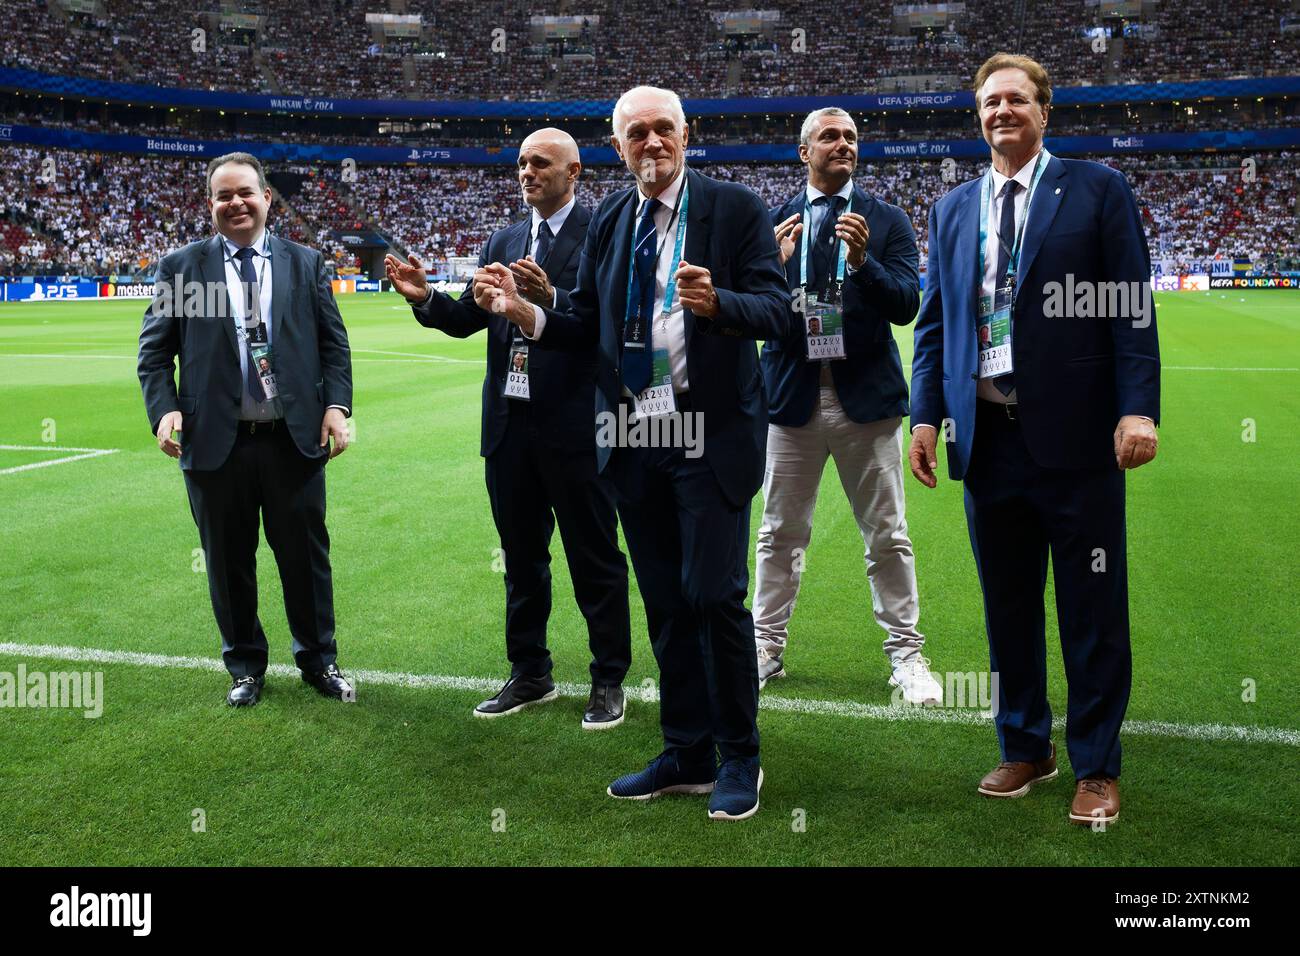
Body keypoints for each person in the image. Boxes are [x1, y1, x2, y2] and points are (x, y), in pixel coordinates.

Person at [472, 86, 790, 821]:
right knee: (668, 604)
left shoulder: (735, 209)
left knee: (714, 596)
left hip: (707, 434)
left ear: (686, 135)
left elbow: (778, 313)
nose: (651, 143)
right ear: (617, 147)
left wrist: (721, 305)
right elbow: (585, 320)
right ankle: (687, 750)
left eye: (663, 130)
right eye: (636, 133)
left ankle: (740, 755)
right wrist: (528, 313)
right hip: (634, 436)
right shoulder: (614, 217)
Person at [909, 55, 1160, 825]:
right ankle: (1025, 745)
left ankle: (1096, 763)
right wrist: (925, 415)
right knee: (1007, 605)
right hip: (989, 440)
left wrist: (1137, 409)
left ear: (1044, 112)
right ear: (978, 116)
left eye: (1017, 98)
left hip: (1079, 440)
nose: (1002, 111)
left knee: (1091, 606)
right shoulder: (952, 208)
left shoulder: (1095, 189)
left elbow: (1130, 308)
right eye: (990, 102)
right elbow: (935, 324)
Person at [385, 129, 633, 729]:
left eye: (540, 163)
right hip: (509, 427)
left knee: (593, 556)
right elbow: (472, 318)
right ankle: (530, 672)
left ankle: (608, 679)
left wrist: (555, 297)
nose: (527, 172)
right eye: (521, 163)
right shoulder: (505, 236)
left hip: (576, 426)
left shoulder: (602, 231)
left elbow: (607, 319)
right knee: (521, 558)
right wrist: (427, 300)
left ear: (573, 171)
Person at [138, 152, 355, 708]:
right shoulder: (181, 268)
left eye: (245, 193)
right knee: (229, 560)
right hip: (217, 443)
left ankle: (318, 660)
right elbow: (154, 353)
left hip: (292, 439)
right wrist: (164, 409)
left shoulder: (304, 263)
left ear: (266, 198)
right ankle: (245, 665)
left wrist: (338, 408)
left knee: (305, 559)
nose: (235, 203)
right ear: (210, 205)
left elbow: (333, 346)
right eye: (223, 196)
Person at [755, 107, 941, 704]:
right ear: (803, 150)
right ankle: (763, 647)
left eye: (851, 138)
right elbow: (748, 312)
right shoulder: (769, 221)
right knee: (780, 533)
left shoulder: (885, 220)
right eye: (830, 137)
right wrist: (773, 273)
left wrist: (862, 264)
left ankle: (907, 657)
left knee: (887, 535)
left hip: (867, 401)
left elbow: (907, 304)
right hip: (792, 398)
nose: (843, 145)